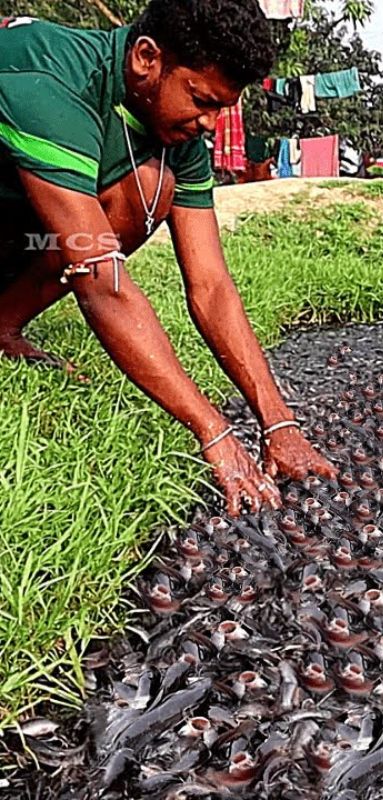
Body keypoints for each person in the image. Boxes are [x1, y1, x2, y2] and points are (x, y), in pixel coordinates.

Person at [0, 0, 337, 516]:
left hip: (23, 229)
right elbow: (103, 284)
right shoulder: (48, 82)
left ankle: (2, 327)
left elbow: (211, 285)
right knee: (95, 241)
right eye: (201, 99)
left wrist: (279, 423)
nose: (209, 124)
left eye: (220, 108)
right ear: (145, 58)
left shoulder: (172, 130)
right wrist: (213, 430)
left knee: (147, 189)